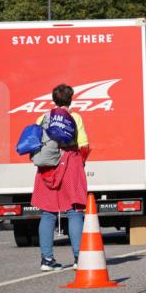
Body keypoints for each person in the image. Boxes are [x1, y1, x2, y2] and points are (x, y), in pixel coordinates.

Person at [31, 84, 89, 271]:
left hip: (47, 168)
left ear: (54, 99)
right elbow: (84, 145)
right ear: (70, 99)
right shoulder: (75, 117)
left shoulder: (42, 118)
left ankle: (46, 260)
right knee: (74, 211)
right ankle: (79, 258)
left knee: (48, 213)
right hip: (70, 164)